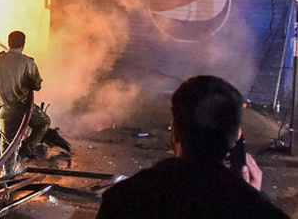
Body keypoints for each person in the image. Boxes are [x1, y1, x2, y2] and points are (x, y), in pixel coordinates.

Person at [95, 75, 290, 219]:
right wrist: (249, 198)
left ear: (175, 130)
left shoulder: (123, 198)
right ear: (236, 138)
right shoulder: (258, 210)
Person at [0, 30, 50, 174]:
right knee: (44, 122)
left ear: (8, 43)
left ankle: (8, 174)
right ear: (23, 44)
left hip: (3, 109)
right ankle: (27, 148)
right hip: (22, 108)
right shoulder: (28, 62)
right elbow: (37, 85)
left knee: (8, 143)